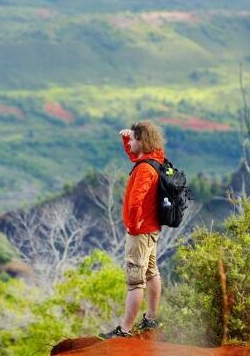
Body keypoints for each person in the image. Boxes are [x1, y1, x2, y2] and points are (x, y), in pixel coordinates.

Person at [100, 121, 165, 339]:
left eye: (135, 139)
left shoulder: (145, 169)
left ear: (143, 141)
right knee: (150, 272)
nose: (132, 142)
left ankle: (124, 330)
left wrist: (133, 225)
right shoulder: (155, 159)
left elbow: (136, 201)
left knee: (135, 281)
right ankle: (151, 319)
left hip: (140, 231)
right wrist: (127, 140)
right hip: (151, 229)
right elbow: (135, 156)